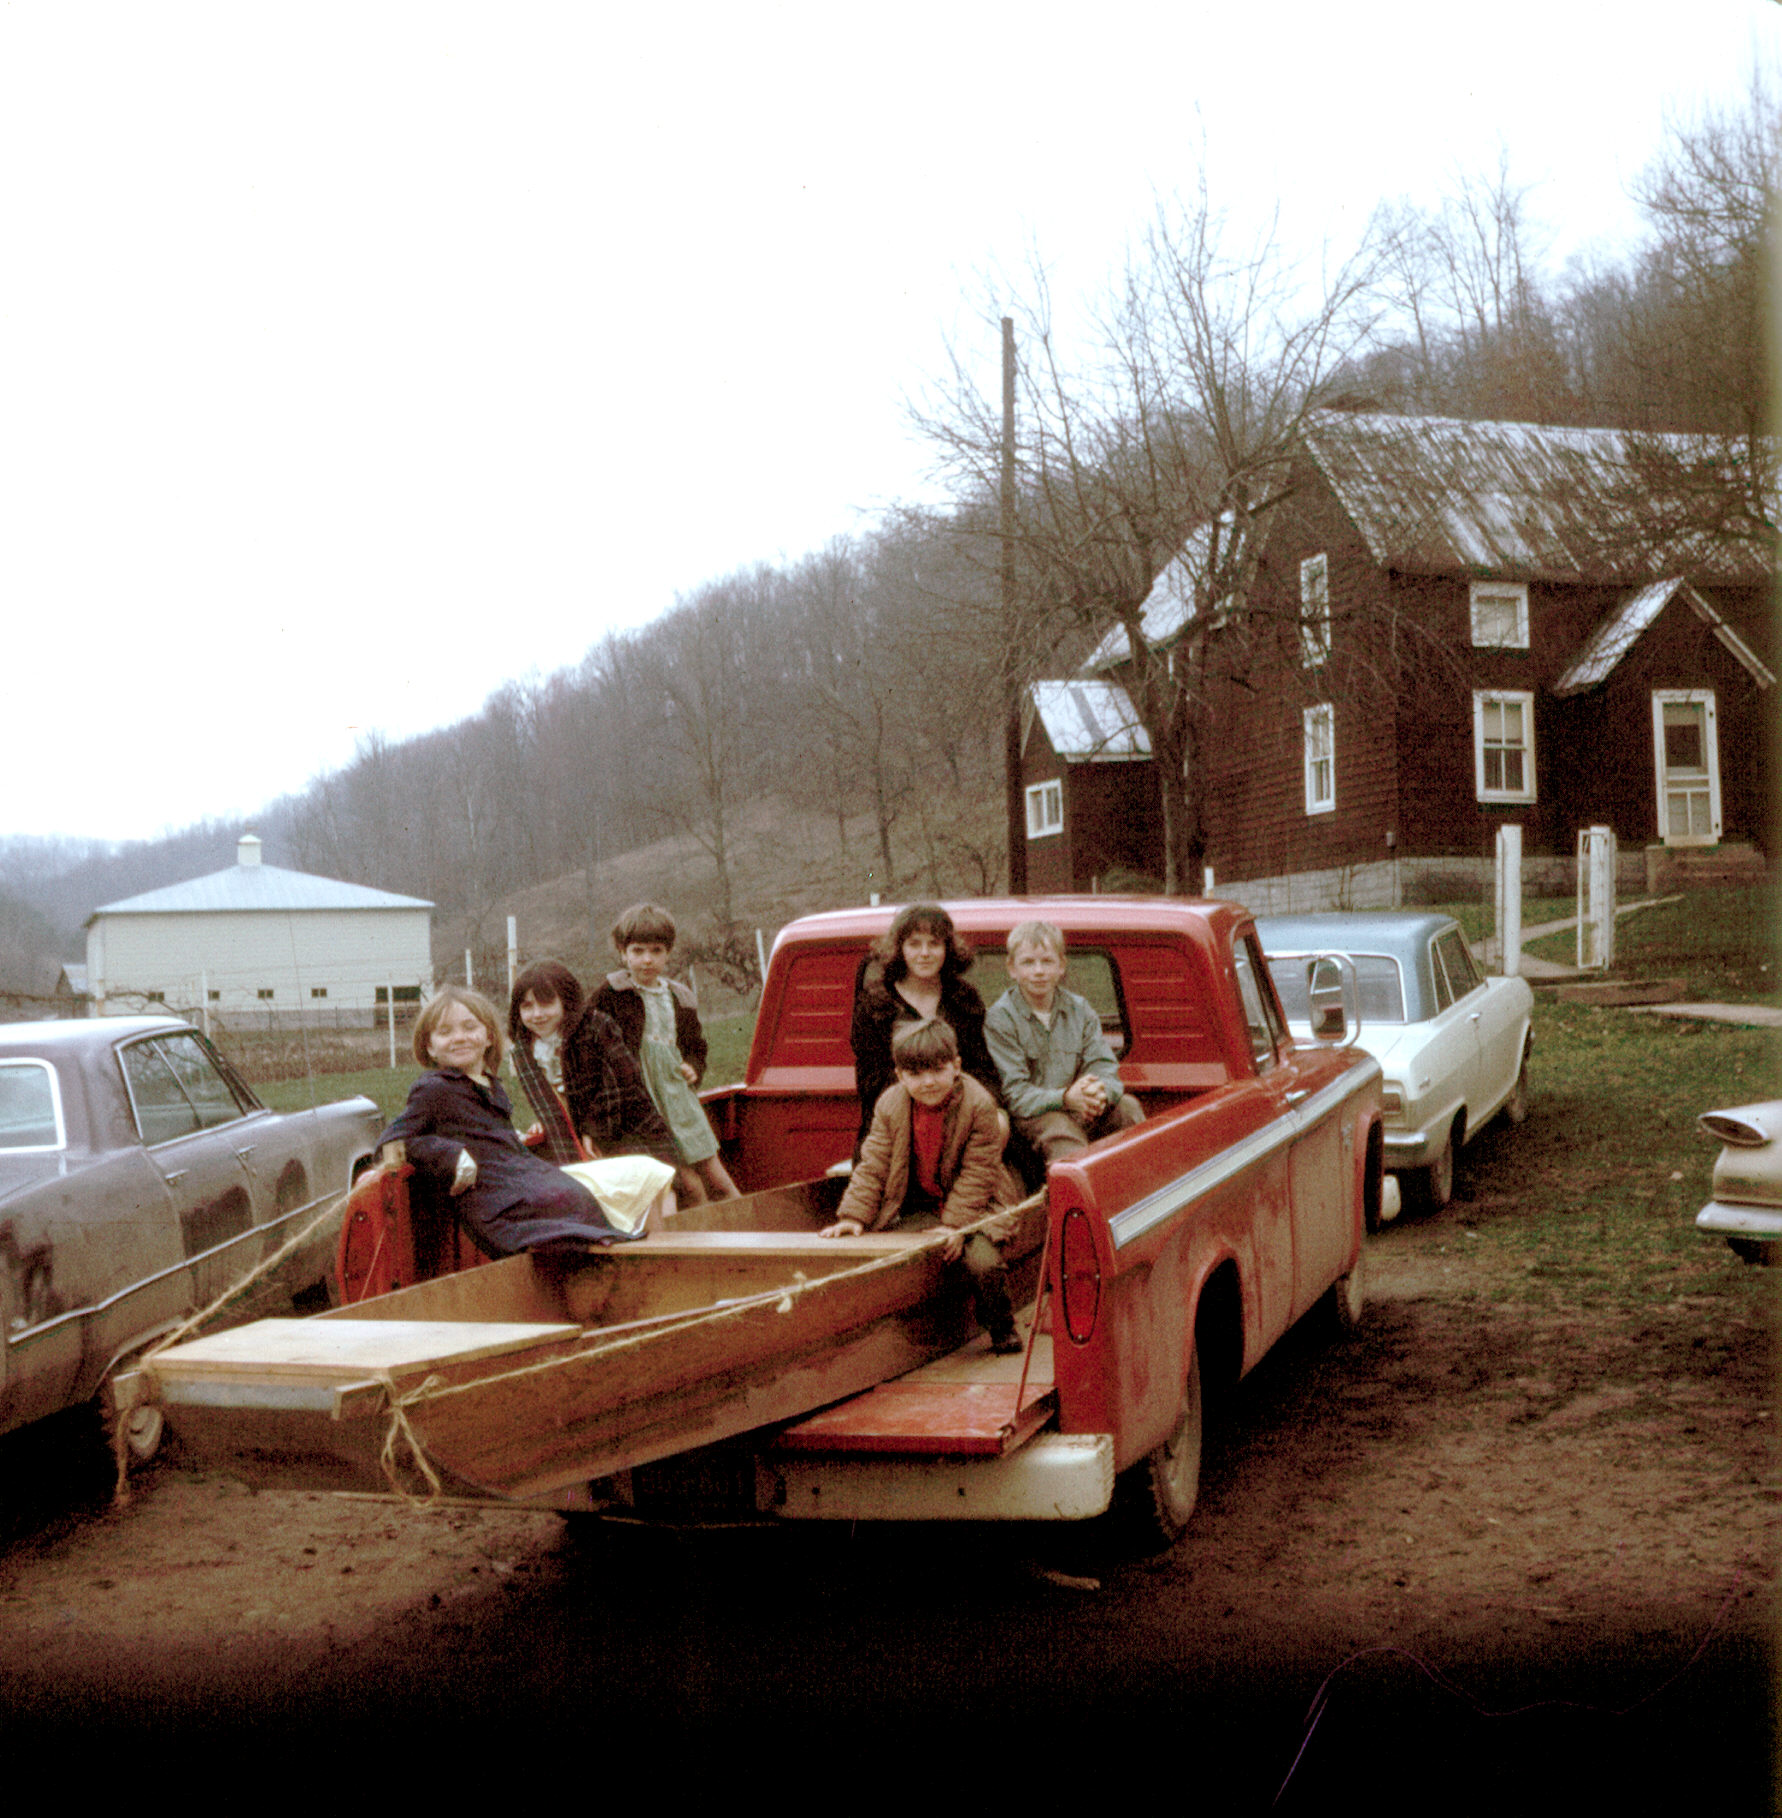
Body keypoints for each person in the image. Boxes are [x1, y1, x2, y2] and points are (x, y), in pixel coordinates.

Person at [378, 986, 640, 1255]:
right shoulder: (434, 1087)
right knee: (558, 1201)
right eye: (445, 1032)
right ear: (430, 1047)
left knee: (575, 1194)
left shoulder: (490, 1085)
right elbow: (396, 1139)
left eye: (469, 1027)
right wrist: (450, 1154)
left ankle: (610, 1248)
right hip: (491, 1196)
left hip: (515, 1176)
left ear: (489, 1037)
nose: (459, 1038)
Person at [820, 1018, 1023, 1353]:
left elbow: (979, 1173)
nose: (928, 1082)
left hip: (979, 1207)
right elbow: (874, 1164)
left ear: (956, 1066)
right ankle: (900, 1336)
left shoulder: (978, 1104)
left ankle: (1001, 1325)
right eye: (915, 1074)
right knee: (885, 1252)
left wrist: (955, 1227)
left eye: (937, 1070)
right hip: (922, 1207)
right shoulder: (890, 1104)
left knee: (984, 1264)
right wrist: (853, 1216)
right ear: (900, 1075)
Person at [593, 902, 741, 1204]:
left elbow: (696, 1046)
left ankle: (751, 1226)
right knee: (690, 1186)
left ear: (668, 952)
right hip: (644, 1102)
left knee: (717, 1177)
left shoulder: (680, 997)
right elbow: (589, 1045)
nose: (647, 959)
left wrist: (693, 1066)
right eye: (637, 951)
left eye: (656, 951)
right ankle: (704, 1232)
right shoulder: (610, 994)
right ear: (623, 952)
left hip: (678, 1098)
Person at [984, 919, 1144, 1167]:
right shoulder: (1001, 1018)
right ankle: (1077, 1187)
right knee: (1061, 1131)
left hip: (1081, 1107)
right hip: (1033, 1117)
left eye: (1047, 961)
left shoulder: (1080, 1009)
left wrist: (1098, 1094)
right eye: (1028, 962)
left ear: (1061, 966)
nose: (1039, 971)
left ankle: (1141, 1180)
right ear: (1012, 968)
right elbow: (1015, 1095)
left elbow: (1104, 1067)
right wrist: (1066, 1098)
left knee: (1128, 1107)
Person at [849, 901, 1003, 1159]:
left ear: (947, 948)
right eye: (914, 944)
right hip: (896, 1122)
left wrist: (969, 1107)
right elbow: (871, 1084)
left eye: (934, 943)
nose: (925, 953)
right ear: (900, 948)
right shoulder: (875, 1004)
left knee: (1002, 1127)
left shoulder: (964, 999)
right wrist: (925, 1097)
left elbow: (983, 1070)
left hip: (961, 1115)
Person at [507, 960, 677, 1169]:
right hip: (572, 1142)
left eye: (546, 1003)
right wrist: (547, 1121)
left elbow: (622, 1083)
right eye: (527, 1006)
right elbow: (551, 1101)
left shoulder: (595, 1027)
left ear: (566, 1000)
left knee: (665, 1179)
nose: (537, 1014)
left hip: (629, 1127)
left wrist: (595, 1131)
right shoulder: (523, 1051)